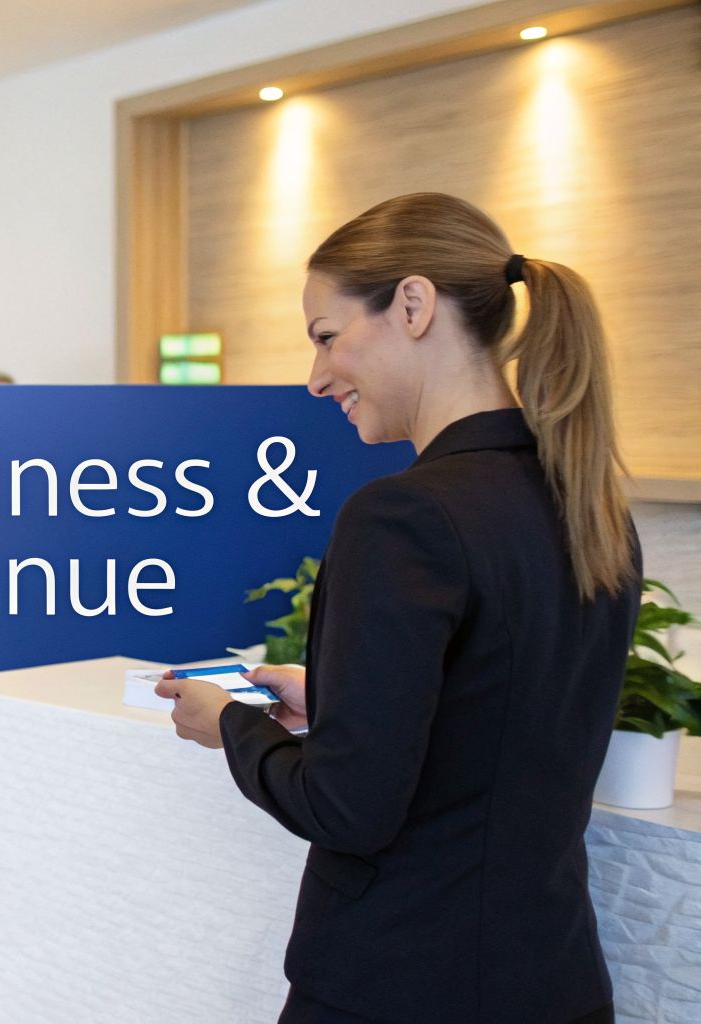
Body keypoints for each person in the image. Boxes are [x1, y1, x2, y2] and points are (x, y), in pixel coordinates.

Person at [156, 193, 639, 1023]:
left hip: (399, 986)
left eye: (325, 336)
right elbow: (501, 724)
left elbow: (347, 809)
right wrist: (342, 698)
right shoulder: (590, 507)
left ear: (413, 305)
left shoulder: (404, 517)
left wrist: (230, 724)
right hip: (552, 982)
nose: (314, 379)